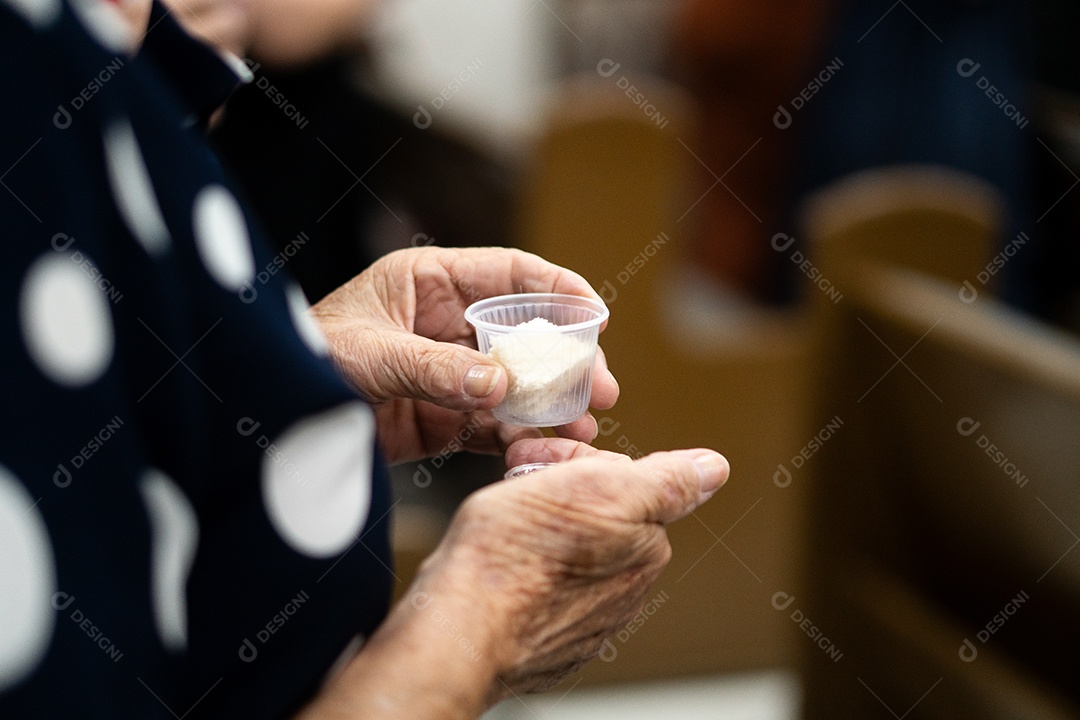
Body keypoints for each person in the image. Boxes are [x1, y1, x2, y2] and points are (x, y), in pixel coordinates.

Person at [0, 2, 729, 719]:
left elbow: (119, 458)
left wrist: (284, 382)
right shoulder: (39, 116)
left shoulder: (94, 128)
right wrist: (476, 634)